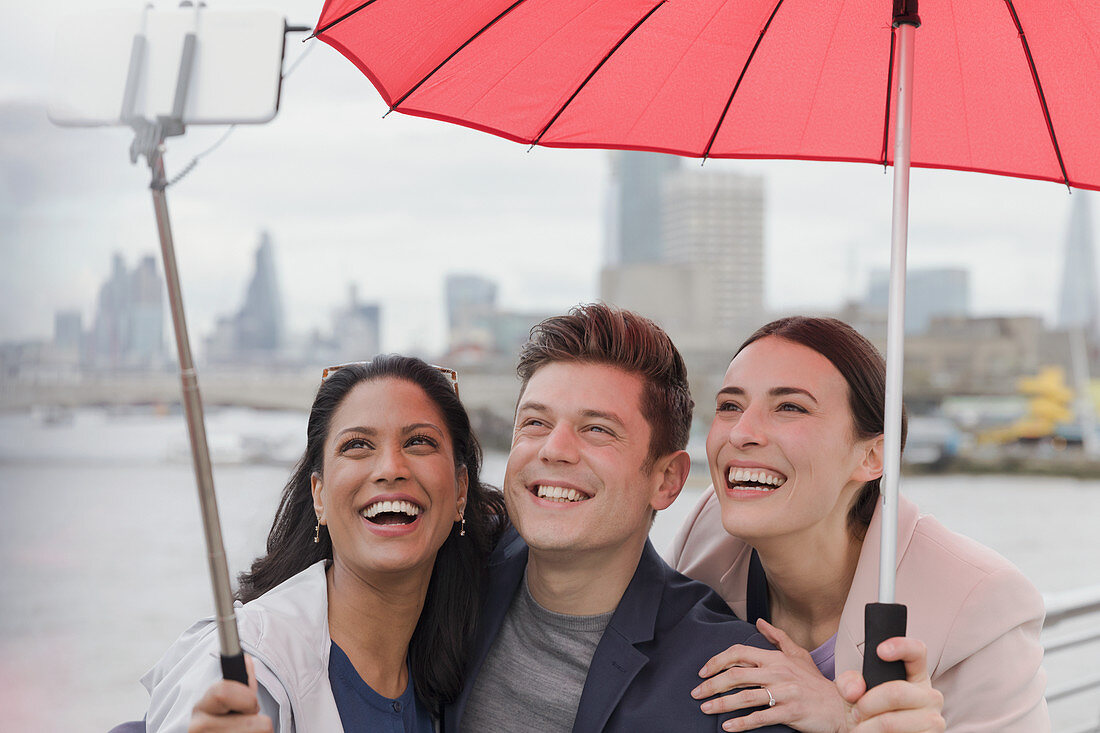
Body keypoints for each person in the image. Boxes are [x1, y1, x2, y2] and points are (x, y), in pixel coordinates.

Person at [447, 304, 939, 733]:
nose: (553, 449)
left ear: (667, 481)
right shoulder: (447, 568)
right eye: (535, 422)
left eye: (597, 429)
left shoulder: (738, 679)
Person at [669, 316, 1048, 732]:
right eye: (729, 406)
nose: (741, 433)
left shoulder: (981, 601)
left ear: (872, 457)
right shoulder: (706, 530)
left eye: (790, 407)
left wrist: (843, 719)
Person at [139, 356, 506, 732]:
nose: (391, 468)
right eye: (358, 445)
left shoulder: (450, 675)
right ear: (319, 495)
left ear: (460, 490)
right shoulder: (244, 667)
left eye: (419, 442)